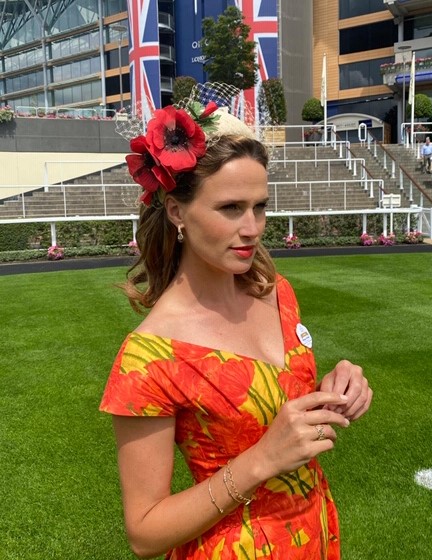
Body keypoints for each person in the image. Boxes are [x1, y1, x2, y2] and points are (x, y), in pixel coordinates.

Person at [100, 91, 373, 560]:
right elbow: (144, 533)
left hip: (315, 535)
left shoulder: (275, 291)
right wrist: (261, 460)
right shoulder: (149, 360)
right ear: (176, 212)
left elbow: (279, 397)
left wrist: (336, 389)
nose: (252, 228)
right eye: (230, 208)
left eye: (259, 207)